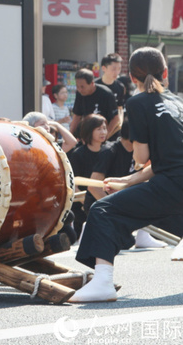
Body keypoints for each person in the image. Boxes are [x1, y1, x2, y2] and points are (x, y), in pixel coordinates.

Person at [69, 47, 183, 303]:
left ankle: (102, 282)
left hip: (172, 184)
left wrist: (133, 170)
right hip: (174, 183)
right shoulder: (178, 102)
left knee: (103, 211)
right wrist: (127, 181)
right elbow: (168, 160)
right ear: (164, 73)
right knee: (160, 214)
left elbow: (142, 158)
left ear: (131, 78)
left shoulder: (136, 102)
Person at [85, 118, 166, 249]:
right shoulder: (109, 151)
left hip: (123, 199)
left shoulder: (137, 152)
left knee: (149, 193)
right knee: (124, 243)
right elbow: (93, 187)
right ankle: (88, 228)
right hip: (101, 203)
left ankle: (143, 236)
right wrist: (113, 206)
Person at [68, 114, 109, 239]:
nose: (103, 132)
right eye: (98, 129)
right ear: (89, 130)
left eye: (104, 128)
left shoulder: (109, 151)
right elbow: (73, 183)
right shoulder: (78, 154)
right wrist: (84, 201)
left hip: (104, 198)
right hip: (82, 203)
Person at [69, 68, 120, 140]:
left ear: (92, 83)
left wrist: (105, 135)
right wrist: (70, 135)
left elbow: (116, 118)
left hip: (105, 134)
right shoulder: (80, 93)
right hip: (88, 134)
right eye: (77, 86)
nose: (80, 89)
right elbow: (77, 116)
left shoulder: (106, 94)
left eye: (82, 87)